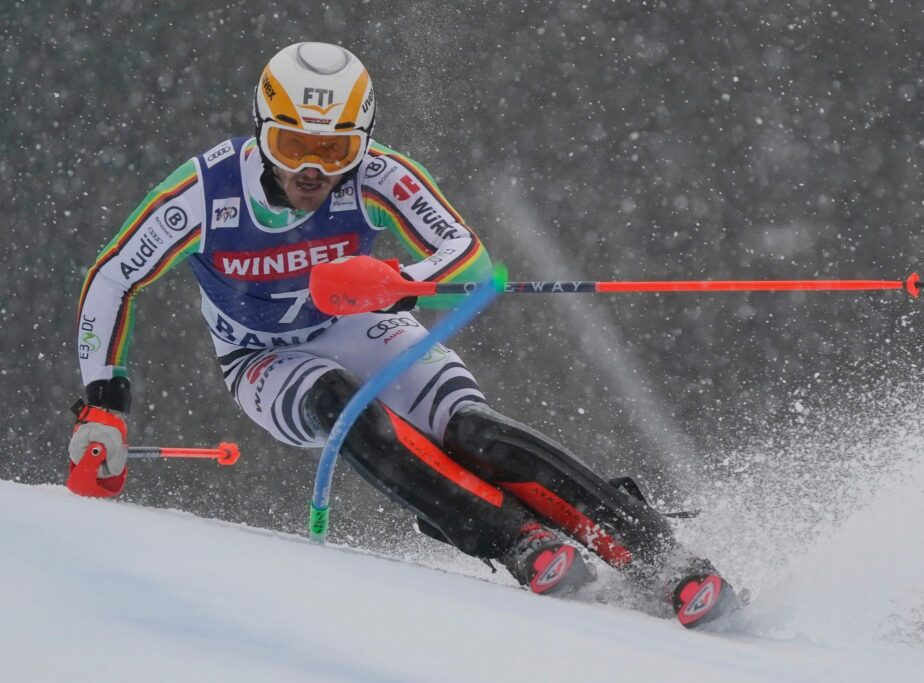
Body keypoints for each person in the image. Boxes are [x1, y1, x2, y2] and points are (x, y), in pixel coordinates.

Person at [69, 42, 739, 627]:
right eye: (290, 144)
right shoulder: (202, 192)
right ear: (260, 130)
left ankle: (667, 561)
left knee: (473, 432)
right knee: (342, 407)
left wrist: (397, 279)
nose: (311, 169)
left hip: (362, 320)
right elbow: (111, 277)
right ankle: (516, 540)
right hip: (261, 355)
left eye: (332, 150)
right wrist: (105, 404)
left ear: (360, 141)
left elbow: (471, 260)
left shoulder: (376, 173)